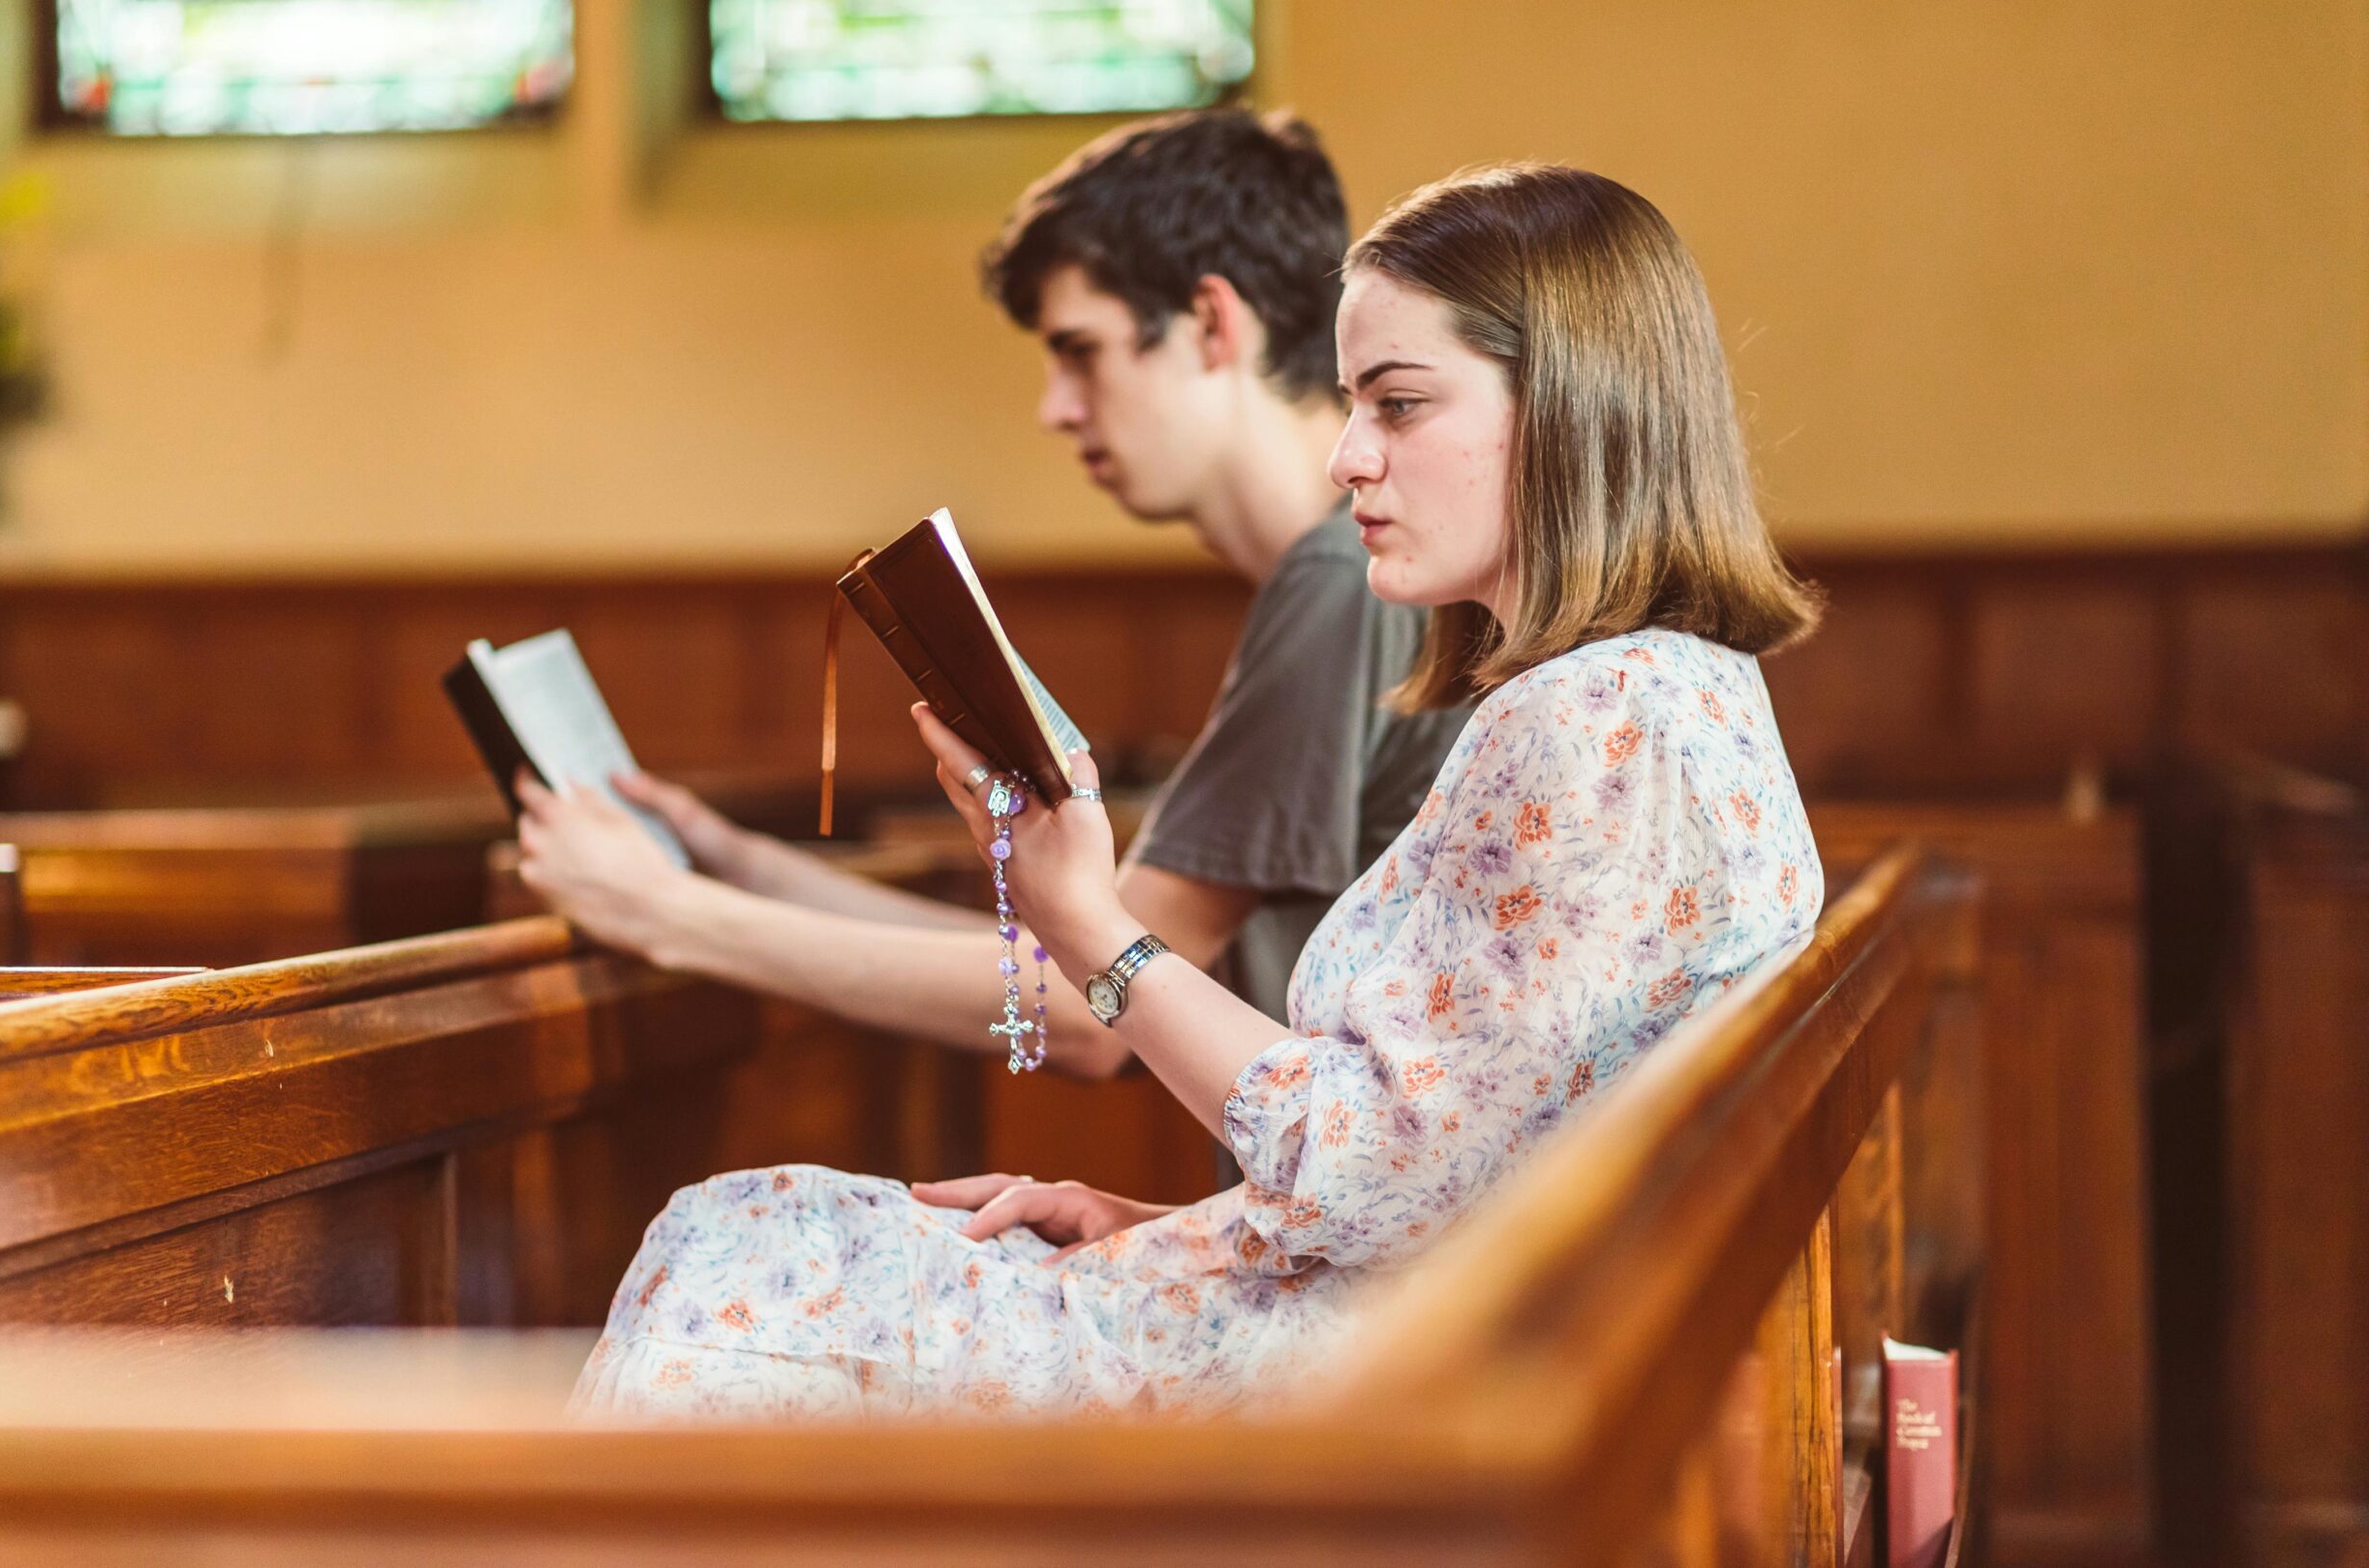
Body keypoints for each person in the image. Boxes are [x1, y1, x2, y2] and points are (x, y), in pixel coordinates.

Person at [566, 162, 1827, 1421]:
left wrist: (1089, 926)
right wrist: (1182, 1227)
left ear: (1571, 407)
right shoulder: (1676, 692)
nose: (1346, 457)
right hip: (1382, 1319)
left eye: (1397, 403)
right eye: (1349, 404)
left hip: (1411, 1389)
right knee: (767, 1233)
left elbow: (1386, 1164)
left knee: (742, 1254)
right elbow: (1474, 1161)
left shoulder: (1589, 720)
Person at [516, 108, 1469, 1084]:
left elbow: (1095, 1007)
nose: (1054, 408)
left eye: (1080, 349)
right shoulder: (1345, 575)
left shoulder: (1340, 578)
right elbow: (1093, 952)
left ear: (1210, 323)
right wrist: (743, 868)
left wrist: (667, 917)